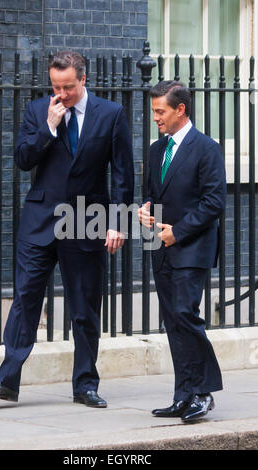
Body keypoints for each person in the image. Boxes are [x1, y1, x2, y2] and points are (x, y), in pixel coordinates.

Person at [0, 51, 134, 408]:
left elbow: (123, 174)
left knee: (84, 307)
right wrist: (48, 127)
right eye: (55, 86)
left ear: (83, 79)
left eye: (68, 87)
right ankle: (7, 379)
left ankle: (85, 385)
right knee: (25, 299)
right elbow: (22, 160)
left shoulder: (110, 114)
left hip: (87, 221)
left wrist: (118, 222)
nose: (61, 93)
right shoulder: (37, 111)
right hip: (39, 221)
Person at [138, 81, 226, 423]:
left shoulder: (207, 148)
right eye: (154, 111)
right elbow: (151, 193)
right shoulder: (156, 150)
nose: (155, 118)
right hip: (161, 247)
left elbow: (213, 202)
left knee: (185, 314)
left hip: (192, 248)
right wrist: (145, 210)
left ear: (180, 110)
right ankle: (183, 394)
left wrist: (179, 231)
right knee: (173, 319)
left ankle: (202, 393)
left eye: (160, 111)